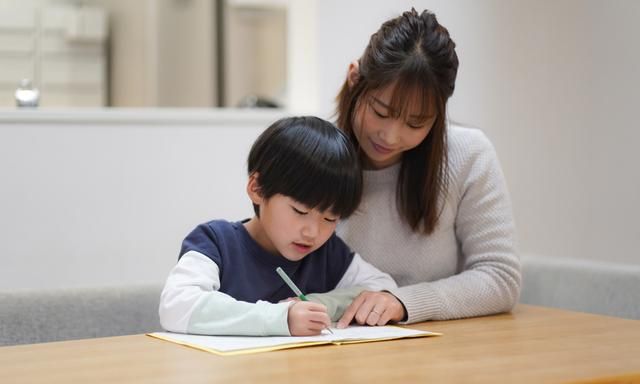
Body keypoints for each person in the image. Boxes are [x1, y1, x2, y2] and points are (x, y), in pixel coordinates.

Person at [333, 8, 521, 328]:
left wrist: (404, 302)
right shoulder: (313, 153)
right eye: (381, 112)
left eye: (416, 123)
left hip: (440, 353)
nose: (390, 136)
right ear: (354, 79)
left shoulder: (468, 154)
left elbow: (500, 277)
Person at [159, 116, 396, 336]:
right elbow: (177, 306)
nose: (312, 232)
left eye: (330, 218)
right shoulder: (216, 242)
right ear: (258, 189)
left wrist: (321, 304)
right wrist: (279, 318)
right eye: (300, 211)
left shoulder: (327, 253)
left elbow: (383, 287)